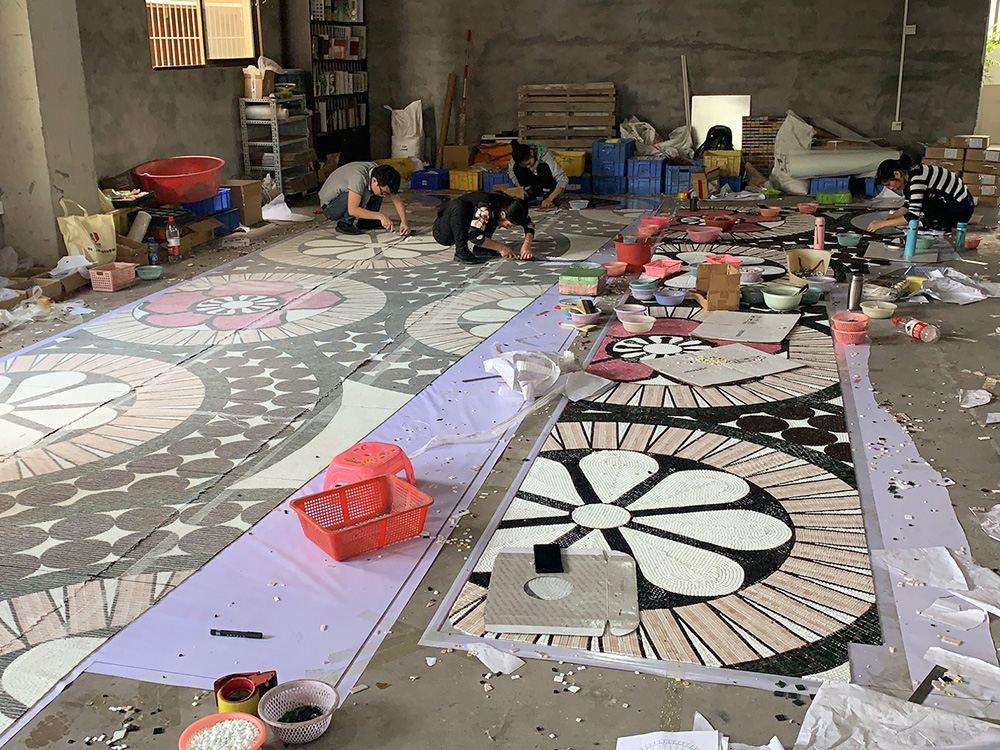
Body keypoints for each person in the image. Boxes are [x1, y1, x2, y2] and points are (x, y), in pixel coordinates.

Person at [867, 154, 973, 232]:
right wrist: (889, 219)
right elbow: (908, 205)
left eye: (889, 184)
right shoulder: (911, 173)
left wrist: (882, 224)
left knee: (922, 204)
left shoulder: (917, 179)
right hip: (960, 205)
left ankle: (944, 224)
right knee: (916, 200)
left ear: (897, 174)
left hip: (960, 211)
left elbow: (912, 215)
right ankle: (938, 221)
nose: (891, 188)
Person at [432, 191, 535, 265]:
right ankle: (461, 251)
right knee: (459, 207)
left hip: (471, 223)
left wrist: (527, 244)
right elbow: (474, 235)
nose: (508, 228)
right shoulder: (486, 208)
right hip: (444, 231)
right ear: (503, 214)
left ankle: (482, 248)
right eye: (509, 224)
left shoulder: (507, 204)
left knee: (491, 219)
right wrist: (501, 248)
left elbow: (529, 223)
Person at [318, 162, 411, 236]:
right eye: (384, 192)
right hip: (330, 207)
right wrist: (380, 216)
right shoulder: (359, 178)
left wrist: (404, 222)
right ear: (374, 181)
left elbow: (397, 201)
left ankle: (367, 222)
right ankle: (345, 223)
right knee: (358, 194)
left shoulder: (379, 174)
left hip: (347, 197)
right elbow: (353, 210)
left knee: (375, 192)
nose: (384, 196)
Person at [508, 141, 569, 208]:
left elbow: (563, 179)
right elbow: (512, 174)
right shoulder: (516, 157)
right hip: (533, 187)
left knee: (542, 167)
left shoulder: (545, 154)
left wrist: (550, 199)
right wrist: (520, 189)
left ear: (531, 153)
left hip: (548, 188)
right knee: (517, 168)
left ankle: (546, 196)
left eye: (529, 163)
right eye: (525, 166)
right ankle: (530, 197)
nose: (528, 167)